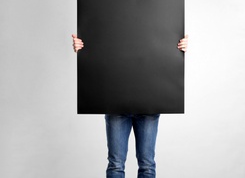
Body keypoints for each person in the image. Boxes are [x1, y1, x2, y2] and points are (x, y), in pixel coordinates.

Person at [72, 34, 188, 178]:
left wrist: (178, 46)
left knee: (146, 165)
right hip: (116, 101)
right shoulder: (109, 16)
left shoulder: (158, 15)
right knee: (116, 165)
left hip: (148, 102)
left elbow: (165, 41)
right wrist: (83, 46)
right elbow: (101, 41)